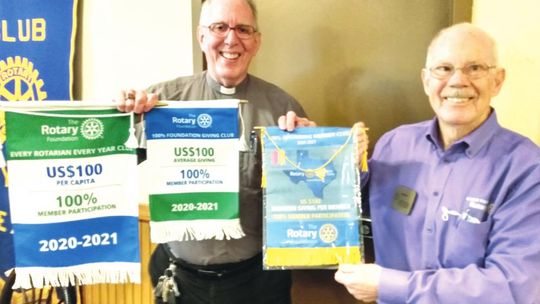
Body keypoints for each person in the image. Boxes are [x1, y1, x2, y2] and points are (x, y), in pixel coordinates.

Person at [116, 0, 315, 303]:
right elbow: (113, 164)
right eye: (219, 27)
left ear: (256, 42)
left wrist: (311, 148)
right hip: (180, 280)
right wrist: (122, 119)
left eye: (243, 29)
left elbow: (309, 196)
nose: (231, 39)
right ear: (201, 37)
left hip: (259, 283)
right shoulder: (163, 102)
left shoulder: (283, 107)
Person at [334, 23, 540, 303]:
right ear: (425, 80)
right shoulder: (395, 144)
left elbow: (512, 285)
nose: (457, 81)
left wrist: (391, 285)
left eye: (475, 68)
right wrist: (323, 158)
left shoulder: (527, 168)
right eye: (443, 68)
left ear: (498, 80)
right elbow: (352, 212)